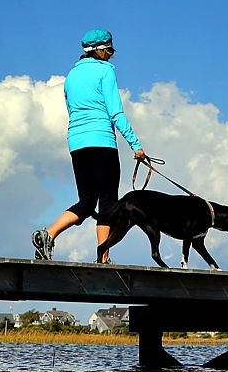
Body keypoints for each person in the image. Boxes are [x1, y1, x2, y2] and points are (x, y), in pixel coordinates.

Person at [32, 29, 146, 262]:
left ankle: (48, 234)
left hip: (77, 142)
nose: (112, 55)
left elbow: (72, 109)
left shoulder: (71, 76)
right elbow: (116, 112)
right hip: (102, 141)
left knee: (87, 201)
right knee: (108, 203)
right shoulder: (105, 72)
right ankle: (103, 258)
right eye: (110, 50)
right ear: (100, 50)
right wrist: (136, 145)